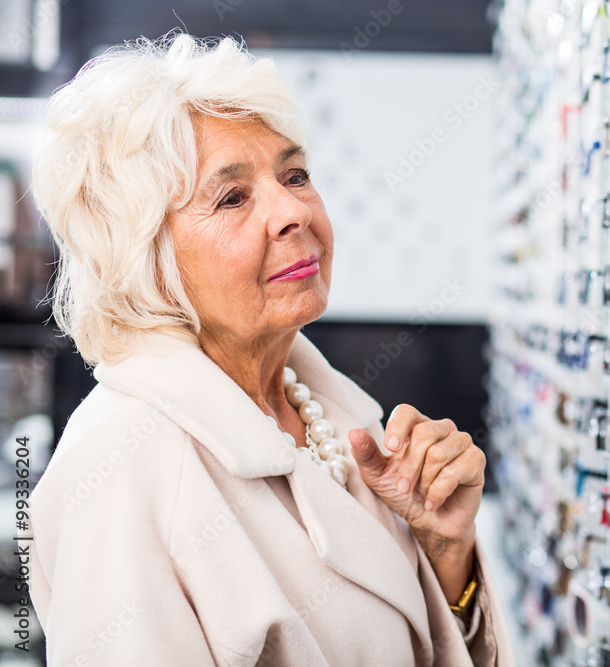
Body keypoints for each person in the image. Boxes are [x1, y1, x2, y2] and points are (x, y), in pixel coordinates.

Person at [26, 32, 513, 666]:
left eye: (296, 175)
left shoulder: (337, 414)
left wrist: (448, 556)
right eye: (231, 197)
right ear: (145, 260)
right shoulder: (124, 463)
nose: (293, 211)